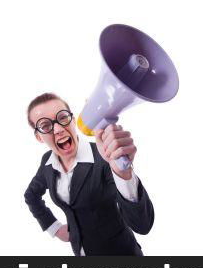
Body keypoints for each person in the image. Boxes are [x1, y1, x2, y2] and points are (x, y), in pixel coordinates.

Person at [23, 92, 154, 256]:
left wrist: (122, 171)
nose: (58, 129)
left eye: (63, 117)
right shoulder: (47, 162)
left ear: (72, 119)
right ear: (39, 137)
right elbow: (31, 195)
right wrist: (54, 227)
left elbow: (142, 224)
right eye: (45, 126)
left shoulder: (103, 156)